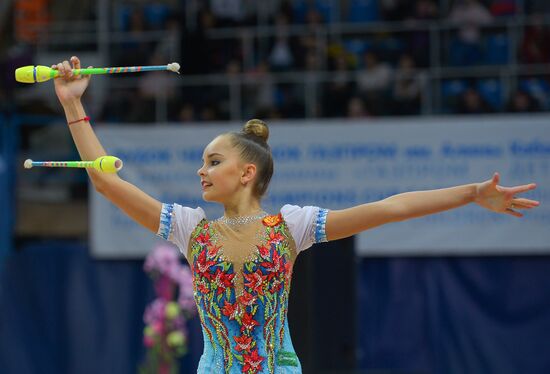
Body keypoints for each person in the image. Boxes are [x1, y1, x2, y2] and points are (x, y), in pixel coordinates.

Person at [52, 56, 540, 373]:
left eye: (213, 161)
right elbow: (105, 179)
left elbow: (393, 207)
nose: (201, 171)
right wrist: (74, 105)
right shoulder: (189, 227)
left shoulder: (292, 227)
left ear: (247, 174)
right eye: (202, 162)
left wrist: (473, 192)